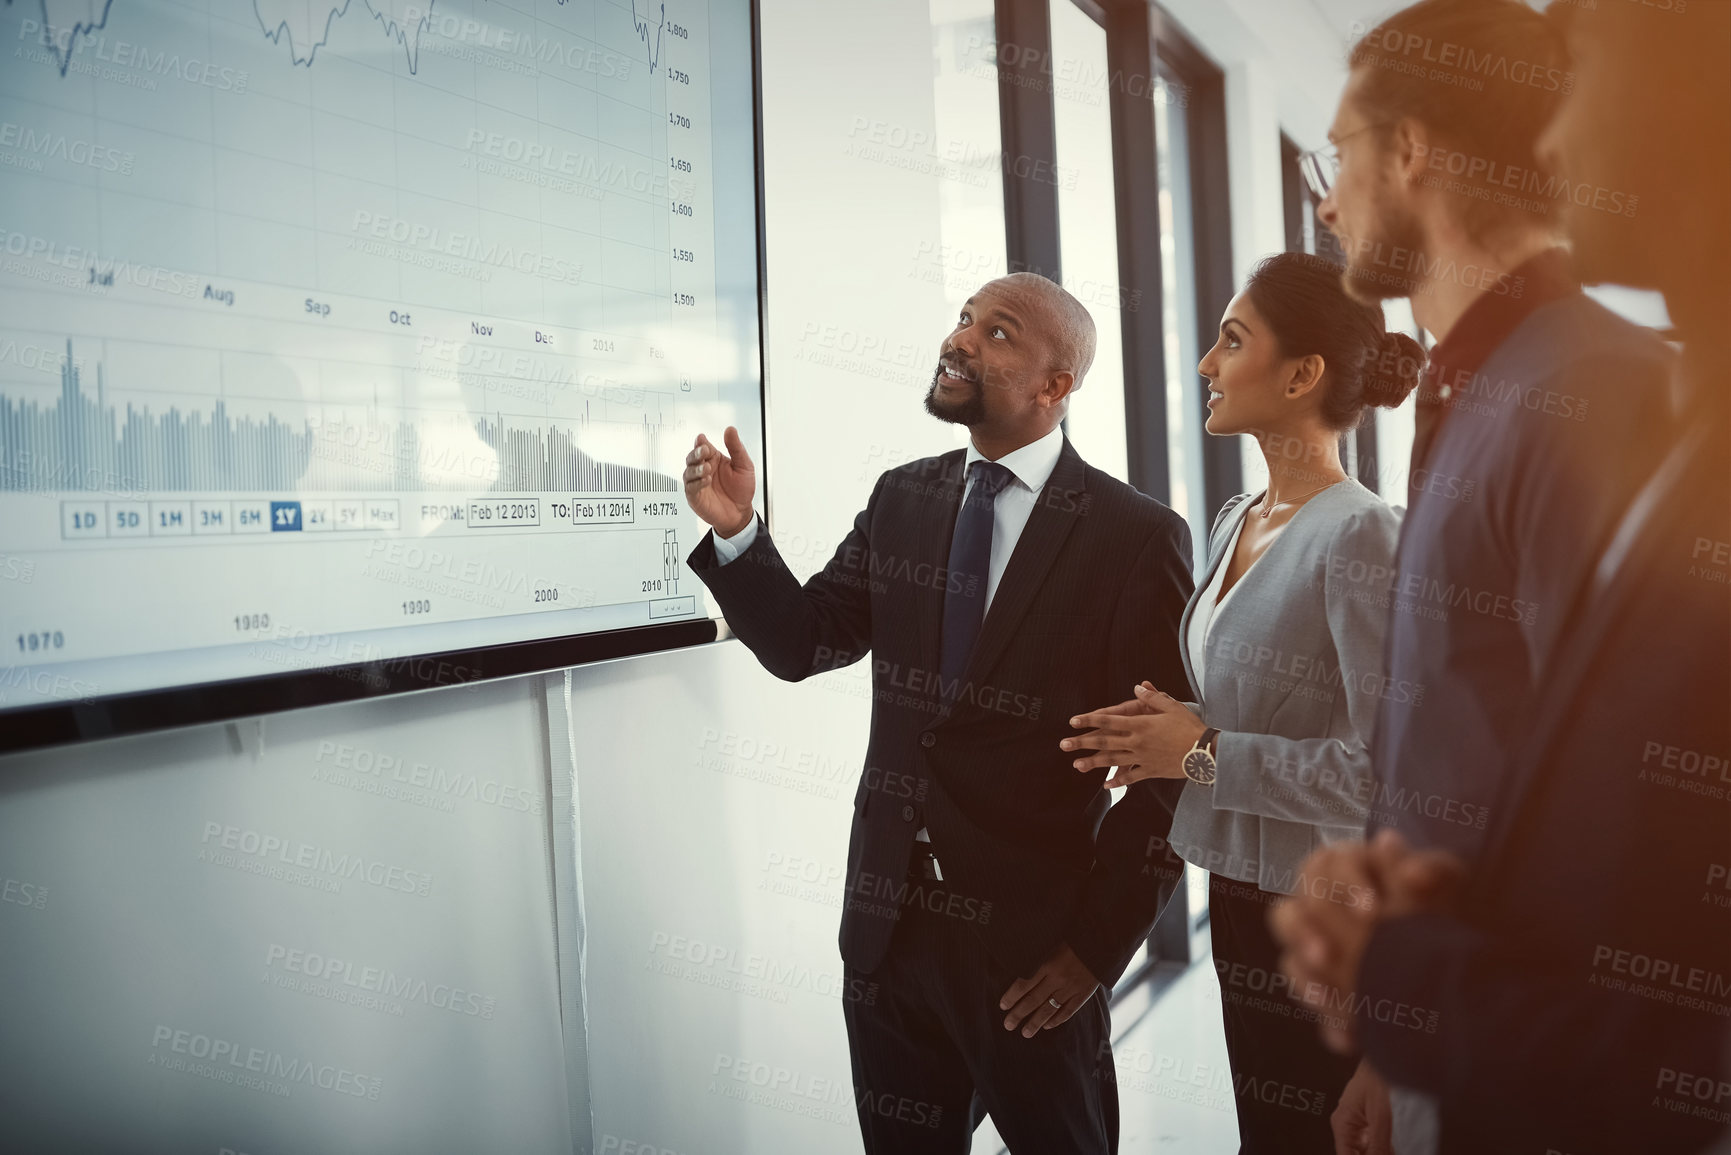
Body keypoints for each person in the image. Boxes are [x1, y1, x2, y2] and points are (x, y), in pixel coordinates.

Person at [1272, 1, 1730, 1152]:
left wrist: (1429, 994)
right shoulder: (1468, 391)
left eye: (1344, 155)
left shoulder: (1593, 392)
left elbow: (1653, 833)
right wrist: (1398, 1026)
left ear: (1413, 149)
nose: (1327, 202)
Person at [681, 272, 1195, 1153]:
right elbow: (807, 642)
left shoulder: (1133, 534)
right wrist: (738, 533)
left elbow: (1167, 771)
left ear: (1054, 385)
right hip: (887, 937)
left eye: (998, 333)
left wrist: (1093, 950)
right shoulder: (902, 497)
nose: (960, 339)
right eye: (963, 319)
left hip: (1033, 952)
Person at [1065, 251, 1417, 1153]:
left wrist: (1200, 750)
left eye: (1230, 340)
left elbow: (1384, 774)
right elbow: (1221, 700)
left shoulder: (1362, 533)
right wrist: (1152, 734)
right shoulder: (1235, 518)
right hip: (1233, 889)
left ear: (1303, 374)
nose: (1204, 364)